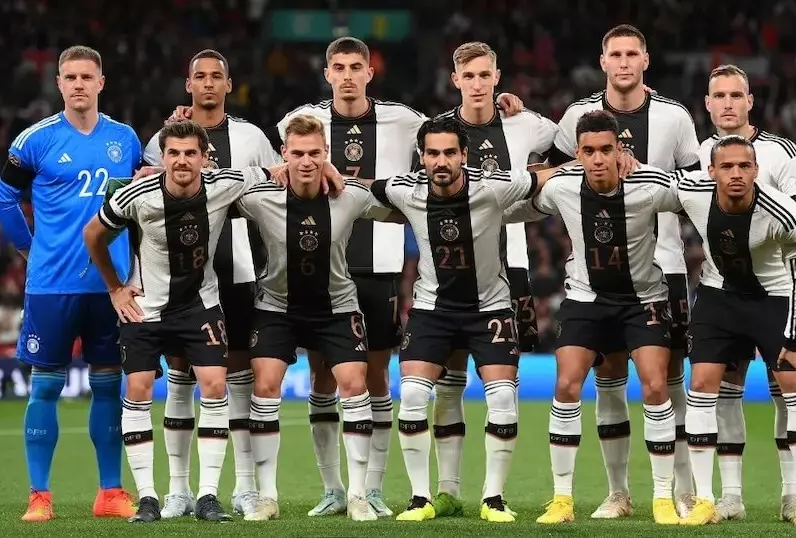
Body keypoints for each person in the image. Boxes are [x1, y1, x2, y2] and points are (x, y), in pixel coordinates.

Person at [272, 37, 524, 518]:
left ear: (370, 72)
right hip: (324, 264)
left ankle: (370, 489)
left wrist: (501, 109)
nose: (347, 75)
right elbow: (279, 161)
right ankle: (333, 488)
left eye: (356, 67)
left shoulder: (405, 119)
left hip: (380, 264)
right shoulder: (299, 118)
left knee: (376, 379)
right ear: (327, 74)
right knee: (323, 377)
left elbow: (447, 137)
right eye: (339, 67)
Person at [83, 120, 287, 524]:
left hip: (200, 307)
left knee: (214, 384)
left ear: (205, 158)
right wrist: (115, 289)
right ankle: (148, 497)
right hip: (146, 308)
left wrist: (321, 167)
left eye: (190, 153)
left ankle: (208, 496)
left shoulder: (223, 184)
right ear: (162, 157)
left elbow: (276, 171)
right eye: (173, 153)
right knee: (138, 389)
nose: (181, 161)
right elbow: (93, 234)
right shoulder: (137, 195)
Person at [368, 116, 559, 523]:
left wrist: (589, 162)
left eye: (450, 153)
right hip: (432, 310)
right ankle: (421, 498)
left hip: (489, 308)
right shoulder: (406, 189)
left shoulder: (493, 187)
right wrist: (322, 171)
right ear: (421, 157)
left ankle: (493, 498)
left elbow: (542, 177)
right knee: (413, 395)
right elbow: (364, 188)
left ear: (464, 155)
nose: (441, 161)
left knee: (503, 398)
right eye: (433, 153)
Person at [548, 24, 701, 518]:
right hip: (596, 273)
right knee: (608, 376)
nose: (624, 62)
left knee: (668, 380)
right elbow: (549, 175)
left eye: (632, 54)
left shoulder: (674, 116)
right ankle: (619, 492)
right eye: (615, 54)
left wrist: (647, 177)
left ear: (645, 60)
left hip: (664, 268)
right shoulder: (577, 116)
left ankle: (683, 491)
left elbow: (696, 187)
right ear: (603, 61)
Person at [505, 110, 685, 525]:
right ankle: (564, 499)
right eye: (589, 151)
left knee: (656, 385)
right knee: (567, 384)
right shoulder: (563, 187)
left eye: (606, 149)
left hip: (643, 300)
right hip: (586, 300)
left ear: (620, 150)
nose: (598, 159)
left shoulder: (650, 185)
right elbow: (514, 201)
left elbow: (697, 197)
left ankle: (663, 497)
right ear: (578, 154)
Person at [0, 45, 142, 523]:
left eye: (87, 77)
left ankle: (110, 492)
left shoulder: (125, 139)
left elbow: (141, 202)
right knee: (45, 388)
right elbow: (3, 200)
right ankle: (40, 495)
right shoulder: (35, 140)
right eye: (70, 77)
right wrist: (29, 249)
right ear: (59, 84)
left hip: (110, 287)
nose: (79, 84)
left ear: (101, 83)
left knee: (108, 388)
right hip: (51, 286)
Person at [232, 114, 405, 522]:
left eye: (314, 153)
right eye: (297, 153)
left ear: (326, 153)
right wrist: (263, 171)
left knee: (354, 384)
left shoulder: (351, 195)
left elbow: (403, 206)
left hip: (337, 307)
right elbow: (213, 186)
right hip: (277, 307)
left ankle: (358, 495)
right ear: (284, 154)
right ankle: (267, 496)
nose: (306, 161)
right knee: (265, 386)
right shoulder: (260, 197)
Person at [143, 48, 282, 519]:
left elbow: (276, 184)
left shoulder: (251, 137)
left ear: (228, 84)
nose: (207, 83)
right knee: (181, 374)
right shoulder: (164, 137)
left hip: (239, 266)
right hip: (181, 275)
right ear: (189, 84)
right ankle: (179, 490)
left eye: (215, 76)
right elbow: (145, 197)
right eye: (199, 76)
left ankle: (243, 487)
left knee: (236, 375)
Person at [426, 40, 560, 518]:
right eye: (469, 76)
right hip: (450, 269)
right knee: (448, 380)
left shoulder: (526, 124)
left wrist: (539, 177)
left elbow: (565, 152)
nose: (478, 84)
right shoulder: (440, 132)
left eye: (485, 75)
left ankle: (493, 492)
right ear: (455, 80)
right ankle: (447, 489)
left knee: (505, 380)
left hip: (511, 267)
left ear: (497, 77)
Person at [675, 135, 796, 528]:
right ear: (711, 171)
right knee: (702, 385)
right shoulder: (692, 191)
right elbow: (657, 182)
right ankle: (707, 500)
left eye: (744, 166)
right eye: (727, 166)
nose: (736, 174)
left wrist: (795, 339)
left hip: (773, 298)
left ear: (757, 170)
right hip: (718, 297)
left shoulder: (783, 212)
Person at [696, 64, 796, 522]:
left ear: (750, 101)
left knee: (786, 387)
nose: (728, 104)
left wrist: (756, 203)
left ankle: (794, 496)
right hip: (721, 289)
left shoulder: (779, 151)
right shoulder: (699, 152)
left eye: (736, 95)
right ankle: (730, 496)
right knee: (725, 390)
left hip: (777, 289)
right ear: (708, 104)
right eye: (719, 96)